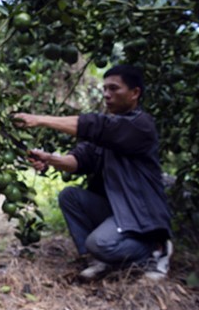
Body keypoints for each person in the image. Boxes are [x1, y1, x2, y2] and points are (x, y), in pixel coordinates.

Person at [11, 64, 173, 281]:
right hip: (116, 209)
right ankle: (100, 260)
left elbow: (96, 126)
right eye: (105, 88)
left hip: (139, 212)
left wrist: (40, 120)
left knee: (99, 243)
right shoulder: (107, 133)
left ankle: (155, 249)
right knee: (70, 196)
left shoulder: (140, 125)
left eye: (114, 88)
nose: (107, 94)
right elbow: (79, 160)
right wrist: (51, 160)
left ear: (135, 93)